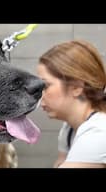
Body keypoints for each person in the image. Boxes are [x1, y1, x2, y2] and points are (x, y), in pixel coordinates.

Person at [37, 39, 106, 168]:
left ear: (76, 87)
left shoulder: (98, 132)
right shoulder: (69, 129)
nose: (39, 94)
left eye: (45, 85)